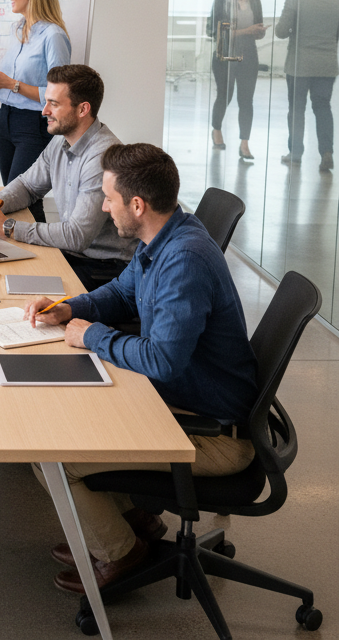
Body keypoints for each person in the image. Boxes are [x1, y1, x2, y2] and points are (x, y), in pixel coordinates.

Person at [23, 143, 258, 594]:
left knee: (52, 456)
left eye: (108, 198)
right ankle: (135, 522)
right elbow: (123, 293)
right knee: (70, 421)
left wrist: (92, 336)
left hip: (212, 435)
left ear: (137, 204)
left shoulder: (184, 260)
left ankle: (122, 552)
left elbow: (163, 360)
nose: (102, 206)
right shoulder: (165, 235)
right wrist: (69, 308)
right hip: (184, 405)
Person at [0, 65, 136, 291]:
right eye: (46, 101)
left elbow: (76, 235)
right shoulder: (62, 139)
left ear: (82, 109)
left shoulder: (102, 157)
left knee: (16, 286)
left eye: (54, 104)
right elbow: (29, 186)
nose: (44, 111)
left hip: (104, 269)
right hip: (76, 254)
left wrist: (7, 226)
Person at [0, 0, 70, 221]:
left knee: (25, 199)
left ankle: (47, 258)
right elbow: (12, 80)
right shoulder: (18, 30)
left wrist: (11, 84)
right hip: (6, 119)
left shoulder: (53, 35)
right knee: (11, 196)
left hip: (33, 125)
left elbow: (59, 94)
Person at [275, 0, 339, 171]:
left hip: (299, 66)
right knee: (323, 107)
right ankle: (327, 152)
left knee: (297, 110)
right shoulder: (336, 0)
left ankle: (295, 153)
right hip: (326, 65)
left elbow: (282, 31)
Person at [208, 0, 265, 161]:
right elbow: (216, 32)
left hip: (248, 56)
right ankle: (216, 130)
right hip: (226, 56)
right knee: (225, 96)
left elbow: (256, 33)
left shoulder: (255, 1)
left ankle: (244, 143)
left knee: (246, 100)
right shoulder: (222, 2)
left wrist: (258, 31)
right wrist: (247, 31)